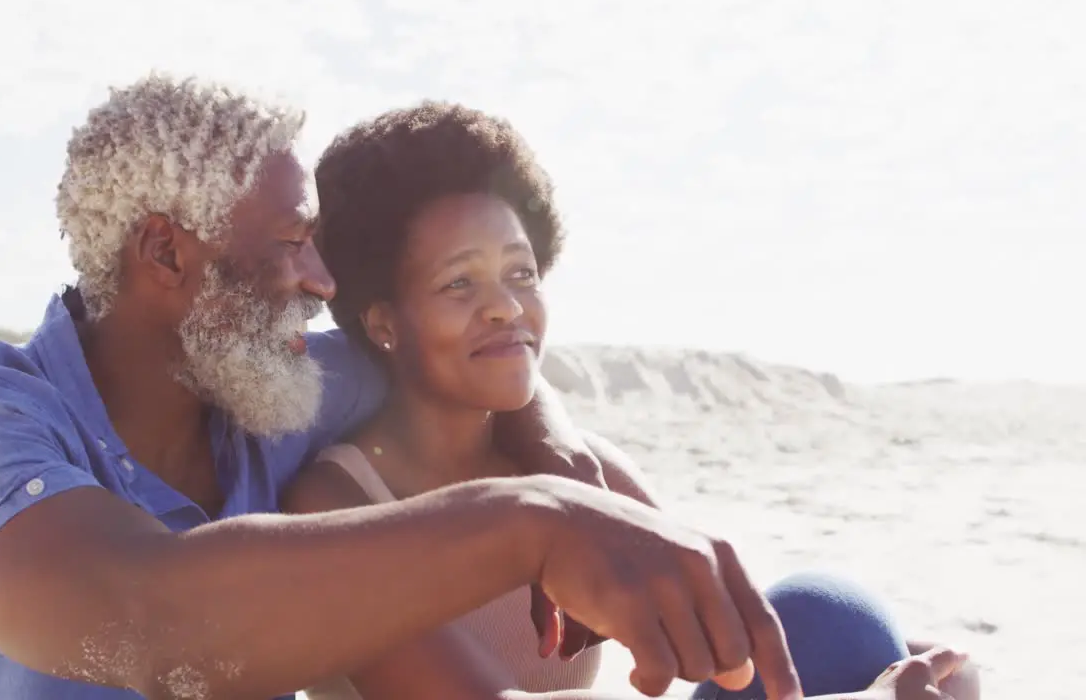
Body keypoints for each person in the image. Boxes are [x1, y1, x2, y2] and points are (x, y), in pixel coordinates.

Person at [0, 74, 808, 700]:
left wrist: (552, 447)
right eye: (292, 242)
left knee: (829, 619)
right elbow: (146, 618)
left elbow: (470, 352)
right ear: (167, 252)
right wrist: (536, 517)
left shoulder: (263, 389)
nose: (324, 279)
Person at [286, 101, 979, 700]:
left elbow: (733, 649)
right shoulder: (336, 506)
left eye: (521, 273)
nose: (506, 307)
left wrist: (926, 670)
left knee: (836, 618)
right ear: (383, 323)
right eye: (459, 284)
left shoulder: (584, 471)